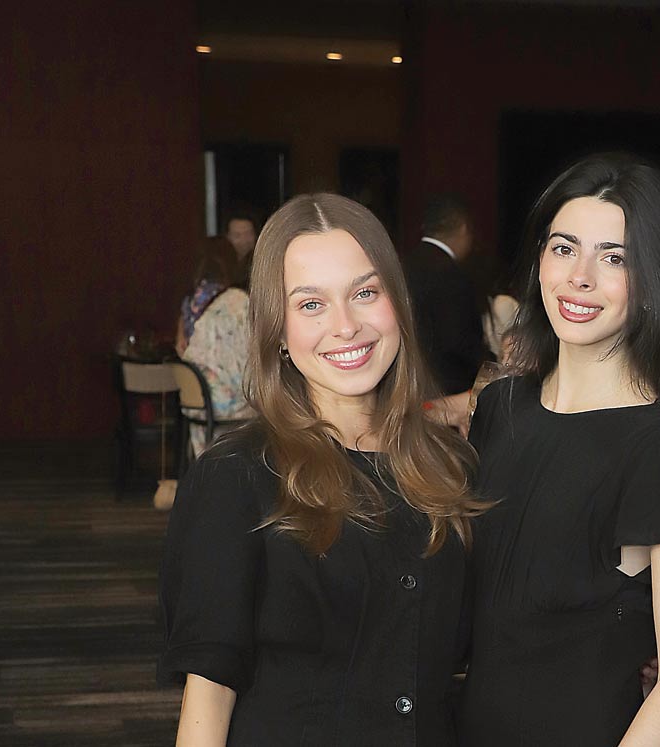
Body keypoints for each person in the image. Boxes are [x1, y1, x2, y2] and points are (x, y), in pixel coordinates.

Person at [158, 193, 484, 745]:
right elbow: (208, 697)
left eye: (364, 293)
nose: (346, 326)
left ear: (397, 303)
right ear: (278, 330)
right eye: (311, 304)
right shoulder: (235, 477)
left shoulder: (452, 467)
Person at [458, 154, 660, 746]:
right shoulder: (499, 410)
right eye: (564, 248)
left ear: (653, 282)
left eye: (615, 258)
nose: (581, 277)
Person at [403, 193, 491, 395]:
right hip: (447, 387)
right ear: (464, 229)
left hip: (410, 384)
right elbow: (459, 339)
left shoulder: (402, 265)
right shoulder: (452, 274)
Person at [176, 236, 252, 455]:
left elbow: (183, 347)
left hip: (198, 399)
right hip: (224, 404)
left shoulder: (208, 301)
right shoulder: (240, 304)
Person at [223, 206, 258, 286]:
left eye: (248, 234)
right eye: (237, 235)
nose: (244, 240)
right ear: (227, 237)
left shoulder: (263, 265)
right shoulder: (221, 267)